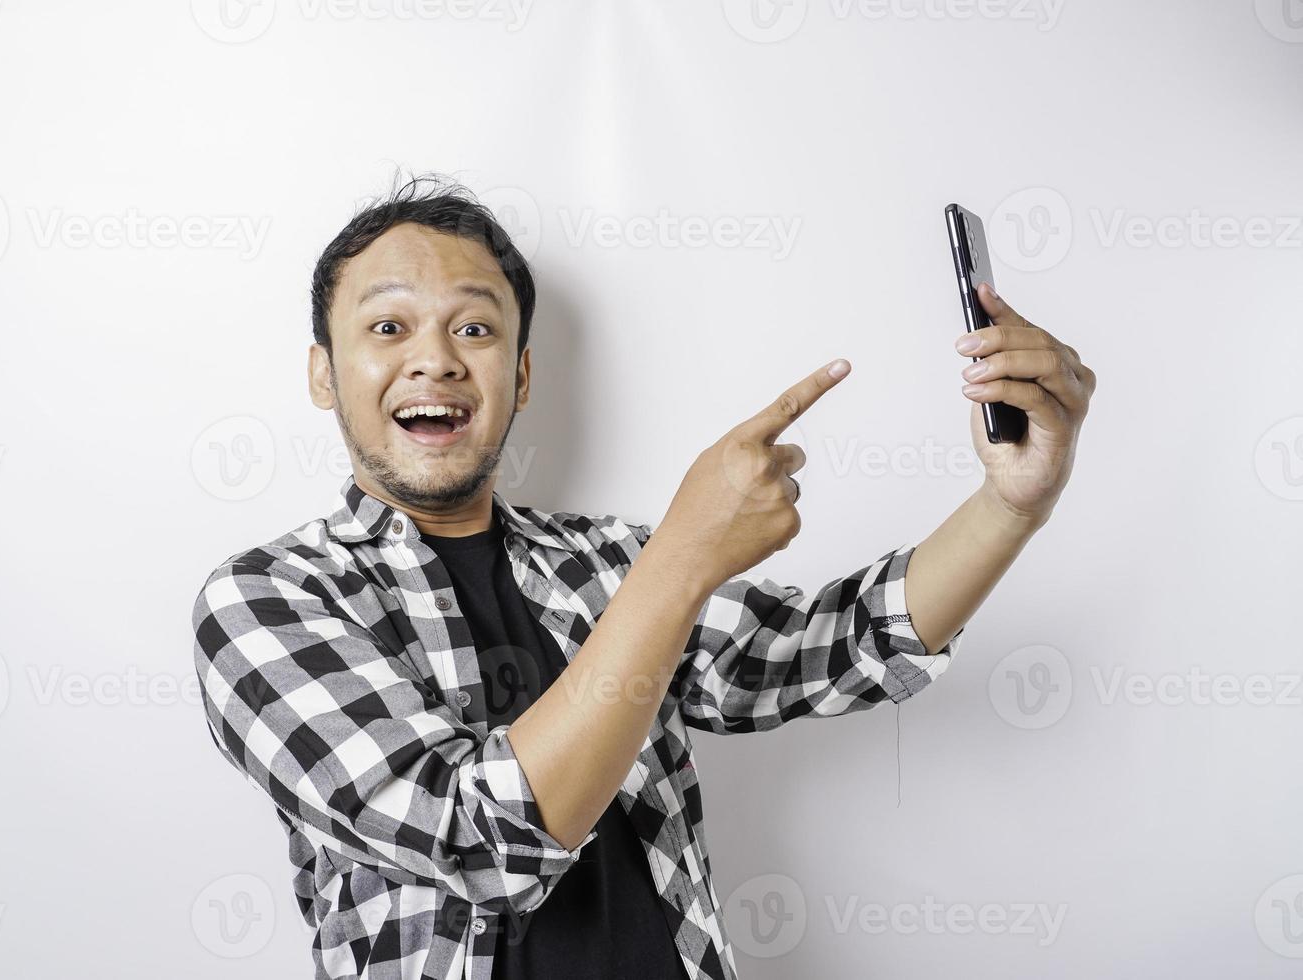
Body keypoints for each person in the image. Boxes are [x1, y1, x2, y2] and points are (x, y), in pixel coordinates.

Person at [189, 173, 1095, 980]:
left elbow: (841, 646)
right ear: (323, 373)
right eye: (388, 327)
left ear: (524, 373)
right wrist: (686, 556)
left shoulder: (606, 561)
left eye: (475, 327)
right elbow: (479, 841)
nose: (436, 359)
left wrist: (1012, 502)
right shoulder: (265, 600)